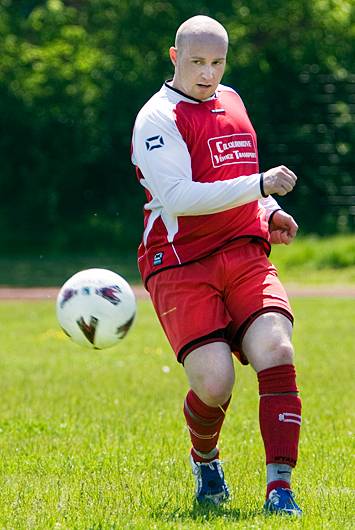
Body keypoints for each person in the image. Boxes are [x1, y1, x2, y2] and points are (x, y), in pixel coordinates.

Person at [131, 15, 302, 516]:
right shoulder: (156, 117)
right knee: (214, 383)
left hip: (244, 250)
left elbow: (240, 172)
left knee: (277, 347)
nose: (208, 74)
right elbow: (178, 197)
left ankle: (280, 489)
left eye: (218, 62)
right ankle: (205, 459)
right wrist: (261, 188)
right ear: (174, 57)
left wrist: (269, 211)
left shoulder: (232, 100)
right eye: (197, 62)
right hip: (181, 261)